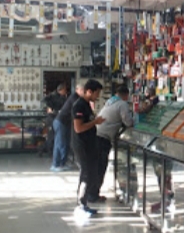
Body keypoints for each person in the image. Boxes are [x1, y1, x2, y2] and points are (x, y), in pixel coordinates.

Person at [72, 79, 106, 216]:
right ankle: (81, 203)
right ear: (89, 91)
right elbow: (78, 128)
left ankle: (85, 202)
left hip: (90, 144)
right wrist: (95, 122)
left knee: (91, 173)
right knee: (86, 174)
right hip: (82, 145)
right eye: (96, 93)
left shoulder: (87, 104)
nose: (97, 97)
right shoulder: (79, 105)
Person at [96, 85, 134, 197]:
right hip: (104, 137)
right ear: (126, 95)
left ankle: (93, 192)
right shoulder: (122, 104)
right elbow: (128, 122)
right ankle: (94, 194)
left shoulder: (110, 101)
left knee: (98, 166)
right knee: (101, 166)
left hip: (97, 134)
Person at [56, 83, 84, 171]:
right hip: (61, 122)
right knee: (62, 144)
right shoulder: (75, 98)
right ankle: (59, 164)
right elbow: (78, 110)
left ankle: (59, 164)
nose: (83, 92)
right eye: (82, 90)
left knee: (61, 143)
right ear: (77, 90)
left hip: (63, 122)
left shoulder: (76, 98)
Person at [45, 84, 67, 163]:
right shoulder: (52, 96)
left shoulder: (63, 97)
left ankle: (55, 153)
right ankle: (50, 152)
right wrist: (50, 108)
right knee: (51, 136)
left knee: (57, 137)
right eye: (65, 90)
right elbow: (45, 101)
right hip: (52, 118)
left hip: (58, 118)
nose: (66, 91)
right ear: (61, 90)